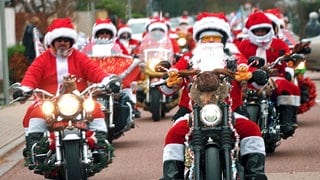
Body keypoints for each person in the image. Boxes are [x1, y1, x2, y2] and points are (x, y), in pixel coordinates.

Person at [161, 12, 267, 180]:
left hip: (230, 112)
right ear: (199, 40)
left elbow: (248, 73)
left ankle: (254, 173)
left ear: (223, 40)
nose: (210, 41)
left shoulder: (234, 58)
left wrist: (256, 76)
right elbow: (171, 83)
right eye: (206, 38)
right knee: (174, 133)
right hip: (192, 114)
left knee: (251, 129)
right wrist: (169, 81)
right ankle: (172, 176)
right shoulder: (189, 59)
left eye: (215, 38)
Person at [18, 17, 117, 172]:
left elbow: (95, 71)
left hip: (78, 100)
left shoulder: (79, 57)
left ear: (71, 41)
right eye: (59, 39)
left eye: (66, 39)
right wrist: (24, 88)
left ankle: (101, 146)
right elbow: (31, 76)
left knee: (96, 109)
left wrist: (107, 80)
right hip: (50, 101)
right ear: (52, 41)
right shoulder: (42, 59)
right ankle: (35, 150)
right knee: (35, 112)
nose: (63, 42)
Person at [238, 12, 301, 139]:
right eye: (257, 31)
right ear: (251, 31)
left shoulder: (279, 44)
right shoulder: (244, 45)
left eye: (263, 30)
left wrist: (288, 68)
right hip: (250, 78)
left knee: (285, 85)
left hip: (274, 78)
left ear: (269, 29)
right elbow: (239, 59)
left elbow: (287, 58)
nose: (261, 33)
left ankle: (286, 120)